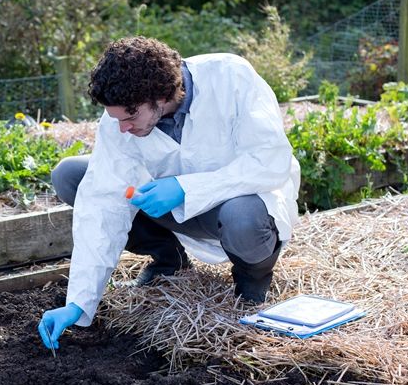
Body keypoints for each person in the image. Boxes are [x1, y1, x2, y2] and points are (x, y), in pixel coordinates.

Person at [38, 36, 300, 351]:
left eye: (130, 118)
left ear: (161, 95)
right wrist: (78, 303)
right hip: (171, 210)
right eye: (116, 118)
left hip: (239, 205)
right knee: (72, 176)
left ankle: (252, 275)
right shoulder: (122, 122)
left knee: (242, 218)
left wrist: (186, 188)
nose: (123, 128)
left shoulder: (230, 77)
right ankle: (169, 259)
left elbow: (270, 162)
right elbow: (100, 207)